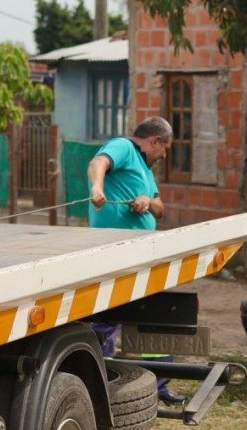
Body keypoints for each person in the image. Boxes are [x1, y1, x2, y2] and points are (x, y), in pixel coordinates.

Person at [87, 115, 186, 405]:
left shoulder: (145, 169)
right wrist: (97, 188)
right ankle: (101, 382)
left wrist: (146, 199)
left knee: (153, 317)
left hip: (144, 254)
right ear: (155, 140)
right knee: (107, 318)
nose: (164, 155)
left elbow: (160, 208)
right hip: (115, 251)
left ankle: (160, 386)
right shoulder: (123, 147)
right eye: (164, 148)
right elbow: (98, 164)